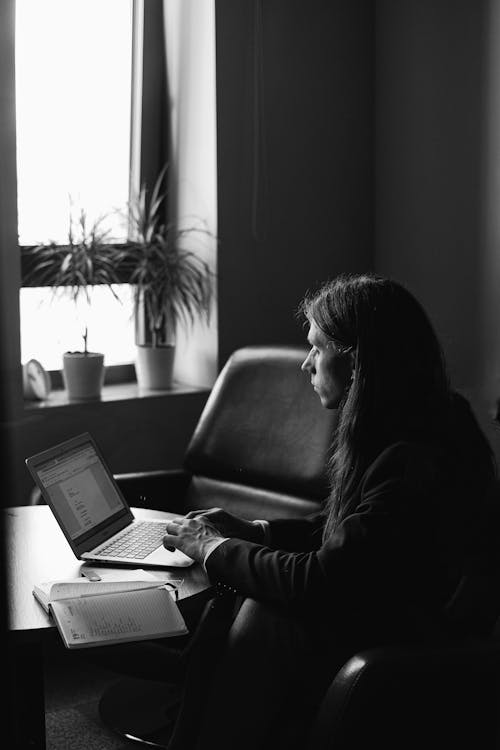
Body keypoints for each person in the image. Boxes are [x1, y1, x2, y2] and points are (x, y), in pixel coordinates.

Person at [162, 273, 497, 750]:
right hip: (393, 610)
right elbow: (346, 536)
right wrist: (255, 531)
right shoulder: (419, 419)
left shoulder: (412, 457)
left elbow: (322, 580)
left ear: (359, 362)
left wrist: (212, 547)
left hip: (413, 644)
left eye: (318, 349)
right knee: (247, 603)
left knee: (264, 612)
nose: (307, 364)